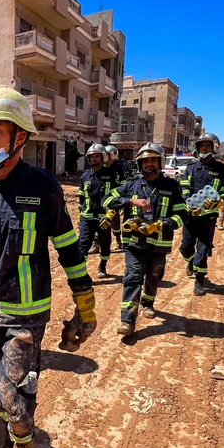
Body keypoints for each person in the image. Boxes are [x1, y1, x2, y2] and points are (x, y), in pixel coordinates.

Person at [0, 85, 97, 448]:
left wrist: (85, 302)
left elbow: (69, 246)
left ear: (20, 136)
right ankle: (10, 438)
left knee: (15, 392)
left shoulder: (43, 186)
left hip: (25, 314)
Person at [104, 143, 186, 335]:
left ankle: (148, 302)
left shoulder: (172, 186)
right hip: (134, 243)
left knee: (154, 275)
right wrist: (130, 201)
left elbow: (182, 215)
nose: (149, 164)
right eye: (145, 160)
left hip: (159, 244)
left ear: (160, 162)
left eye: (153, 160)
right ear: (140, 164)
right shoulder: (131, 185)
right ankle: (127, 320)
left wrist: (161, 225)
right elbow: (107, 200)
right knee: (133, 278)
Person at [178, 132, 224, 296]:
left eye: (207, 145)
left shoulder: (222, 169)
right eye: (202, 145)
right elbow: (184, 188)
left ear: (214, 148)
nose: (204, 148)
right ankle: (191, 261)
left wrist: (219, 201)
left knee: (203, 250)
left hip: (208, 217)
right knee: (185, 247)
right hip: (190, 216)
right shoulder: (191, 168)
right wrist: (188, 201)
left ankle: (199, 281)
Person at [78, 144, 115, 278]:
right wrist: (80, 216)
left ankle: (102, 266)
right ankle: (81, 273)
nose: (94, 159)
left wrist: (111, 214)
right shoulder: (85, 176)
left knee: (105, 244)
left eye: (96, 156)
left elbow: (116, 197)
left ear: (103, 157)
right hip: (87, 217)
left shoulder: (111, 175)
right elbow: (81, 197)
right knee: (83, 245)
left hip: (104, 218)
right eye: (92, 157)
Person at [104, 144, 125, 248]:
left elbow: (123, 183)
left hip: (114, 199)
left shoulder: (119, 168)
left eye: (107, 155)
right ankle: (97, 243)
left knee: (115, 221)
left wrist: (121, 202)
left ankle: (118, 240)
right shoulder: (101, 167)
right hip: (103, 198)